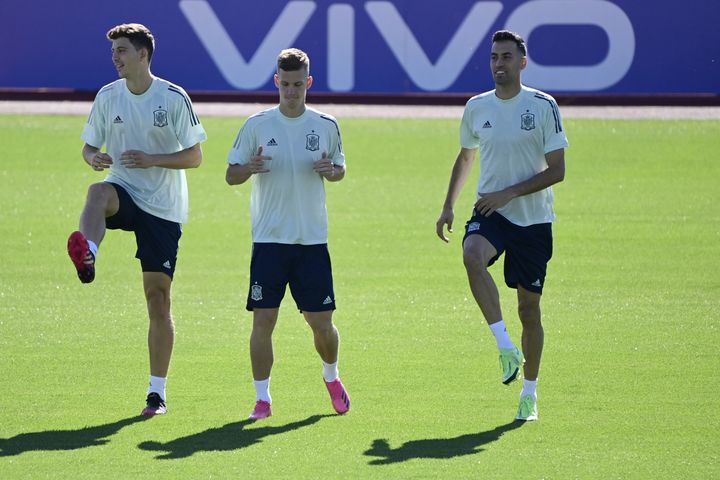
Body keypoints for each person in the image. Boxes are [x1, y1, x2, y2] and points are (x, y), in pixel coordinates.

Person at [66, 23, 207, 417]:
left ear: (144, 55)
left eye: (123, 51)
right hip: (123, 188)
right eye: (113, 52)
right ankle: (88, 253)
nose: (116, 58)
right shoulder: (108, 97)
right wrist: (93, 158)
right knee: (98, 192)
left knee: (157, 298)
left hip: (163, 207)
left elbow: (195, 157)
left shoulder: (173, 97)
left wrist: (153, 159)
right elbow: (89, 146)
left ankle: (156, 392)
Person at [435, 30, 568, 422]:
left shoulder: (543, 106)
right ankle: (504, 345)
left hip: (533, 220)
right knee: (471, 255)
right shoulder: (477, 106)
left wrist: (510, 193)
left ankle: (529, 393)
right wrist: (447, 206)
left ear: (522, 62)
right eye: (494, 57)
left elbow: (558, 171)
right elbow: (465, 158)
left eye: (507, 57)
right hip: (491, 211)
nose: (499, 64)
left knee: (529, 309)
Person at [226, 48, 350, 420]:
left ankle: (332, 376)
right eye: (286, 84)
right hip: (269, 241)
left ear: (308, 83)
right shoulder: (257, 125)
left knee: (321, 325)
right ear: (276, 81)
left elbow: (340, 169)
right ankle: (262, 399)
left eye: (299, 85)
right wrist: (248, 167)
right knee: (263, 321)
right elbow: (231, 175)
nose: (292, 91)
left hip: (311, 241)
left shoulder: (326, 125)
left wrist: (332, 172)